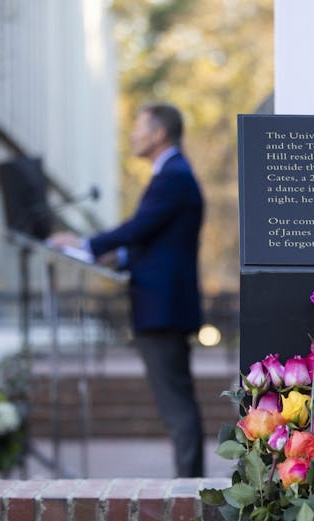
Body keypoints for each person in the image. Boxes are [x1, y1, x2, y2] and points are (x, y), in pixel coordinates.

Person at [49, 103, 205, 477]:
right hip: (163, 307)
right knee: (176, 404)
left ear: (159, 134)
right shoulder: (172, 174)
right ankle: (190, 485)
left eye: (139, 127)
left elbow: (139, 227)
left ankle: (190, 490)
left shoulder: (173, 175)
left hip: (163, 310)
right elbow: (154, 241)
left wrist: (87, 245)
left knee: (176, 407)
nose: (133, 135)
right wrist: (118, 257)